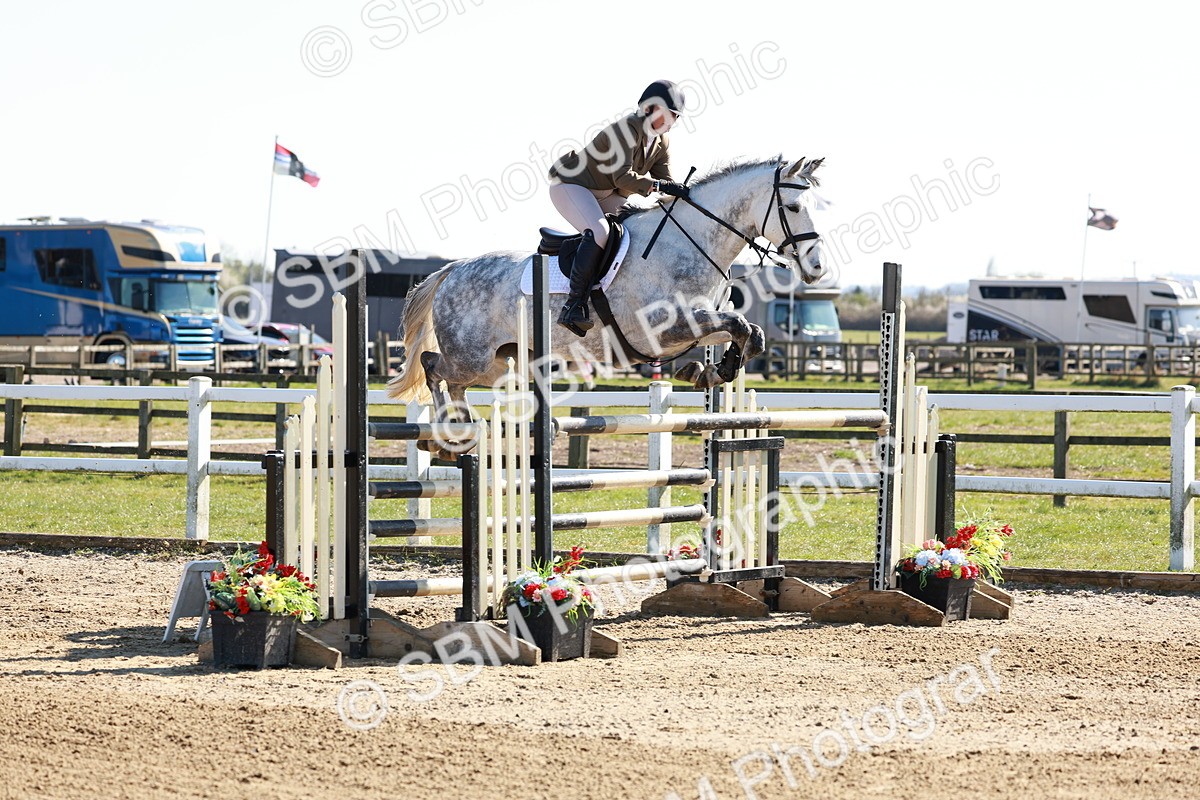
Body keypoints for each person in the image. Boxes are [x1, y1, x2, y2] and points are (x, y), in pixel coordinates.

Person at [547, 79, 691, 336]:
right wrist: (661, 186)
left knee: (634, 232)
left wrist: (685, 195)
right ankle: (573, 305)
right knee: (600, 232)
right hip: (572, 185)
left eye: (676, 116)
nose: (673, 121)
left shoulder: (661, 142)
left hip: (606, 194)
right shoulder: (626, 129)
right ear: (649, 108)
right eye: (669, 114)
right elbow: (622, 177)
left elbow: (666, 182)